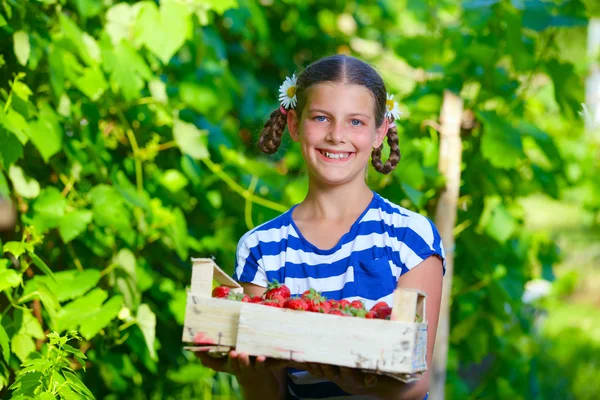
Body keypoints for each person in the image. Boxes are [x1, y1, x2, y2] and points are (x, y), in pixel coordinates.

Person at [196, 54, 445, 400]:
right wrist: (249, 373)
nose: (336, 135)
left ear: (379, 133)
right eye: (321, 118)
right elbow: (270, 394)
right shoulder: (262, 247)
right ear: (295, 125)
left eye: (355, 122)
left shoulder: (409, 237)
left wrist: (349, 378)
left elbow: (416, 384)